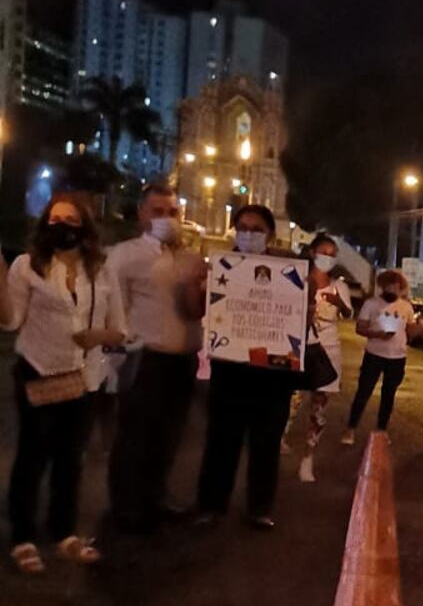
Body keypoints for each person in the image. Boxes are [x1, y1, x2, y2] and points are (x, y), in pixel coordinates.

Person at [0, 192, 127, 572]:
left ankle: (63, 532)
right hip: (39, 370)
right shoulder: (29, 265)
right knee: (32, 457)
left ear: (85, 227)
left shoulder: (101, 271)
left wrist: (96, 337)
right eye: (54, 220)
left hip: (84, 378)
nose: (62, 227)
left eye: (71, 221)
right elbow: (10, 321)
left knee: (70, 460)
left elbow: (120, 330)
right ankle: (23, 537)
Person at [107, 182, 206, 531]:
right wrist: (114, 361)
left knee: (169, 435)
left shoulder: (191, 259)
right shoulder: (124, 255)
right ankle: (124, 506)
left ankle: (155, 497)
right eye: (158, 212)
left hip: (182, 360)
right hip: (144, 358)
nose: (167, 219)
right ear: (141, 214)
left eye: (173, 212)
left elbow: (198, 309)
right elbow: (113, 309)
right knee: (134, 436)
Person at [194, 205, 296, 530]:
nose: (249, 234)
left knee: (266, 444)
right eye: (243, 227)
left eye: (257, 229)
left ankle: (259, 507)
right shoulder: (220, 268)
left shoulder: (288, 272)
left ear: (270, 234)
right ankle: (211, 505)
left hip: (272, 375)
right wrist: (202, 288)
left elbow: (297, 318)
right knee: (221, 440)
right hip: (230, 370)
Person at [287, 233, 352, 482]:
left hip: (328, 351)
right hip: (301, 348)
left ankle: (307, 458)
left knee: (319, 409)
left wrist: (339, 302)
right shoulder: (297, 279)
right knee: (292, 401)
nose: (328, 258)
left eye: (333, 254)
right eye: (324, 252)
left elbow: (348, 314)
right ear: (313, 252)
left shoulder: (340, 286)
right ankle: (277, 441)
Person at [341, 270, 421, 444]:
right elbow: (360, 328)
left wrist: (421, 326)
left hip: (397, 357)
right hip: (374, 355)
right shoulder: (371, 304)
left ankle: (382, 429)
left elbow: (411, 332)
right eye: (389, 286)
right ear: (382, 286)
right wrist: (377, 334)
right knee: (363, 392)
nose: (393, 290)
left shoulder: (406, 307)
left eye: (397, 287)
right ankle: (350, 429)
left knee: (389, 395)